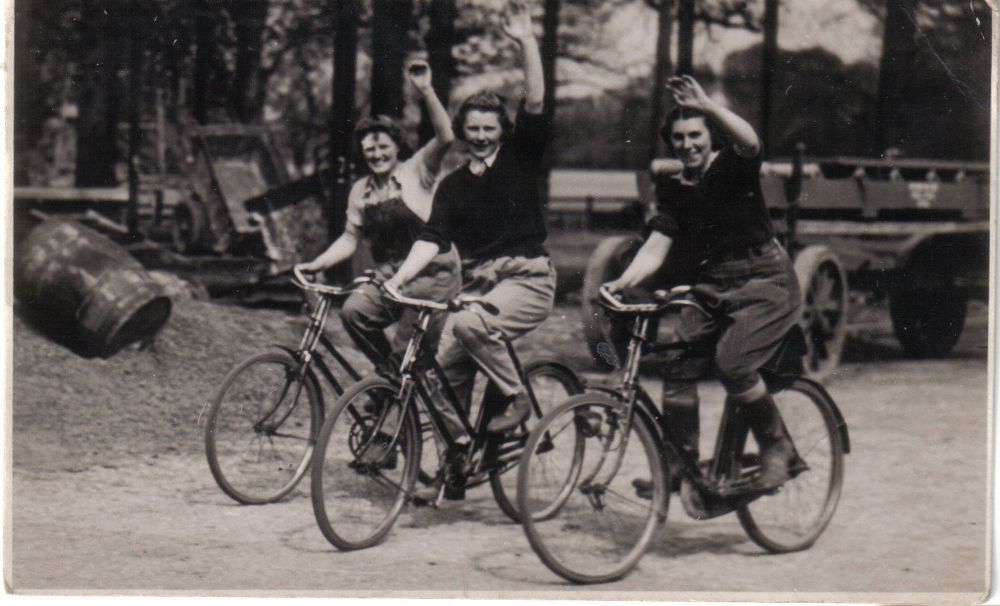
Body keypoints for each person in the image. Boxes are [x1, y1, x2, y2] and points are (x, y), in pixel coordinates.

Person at [384, 1, 555, 500]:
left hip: (527, 280)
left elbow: (537, 101)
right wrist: (397, 281)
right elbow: (432, 238)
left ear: (502, 129)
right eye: (473, 129)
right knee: (441, 367)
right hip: (481, 287)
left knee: (467, 325)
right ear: (463, 132)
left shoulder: (521, 160)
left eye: (489, 128)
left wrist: (525, 42)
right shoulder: (454, 185)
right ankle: (456, 461)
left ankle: (518, 398)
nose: (481, 137)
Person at [604, 75, 802, 492]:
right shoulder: (675, 188)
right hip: (712, 287)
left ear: (710, 137)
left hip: (763, 282)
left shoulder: (733, 166)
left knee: (734, 363)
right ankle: (680, 463)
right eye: (678, 138)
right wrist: (621, 281)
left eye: (695, 135)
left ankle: (777, 447)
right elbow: (657, 246)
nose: (687, 144)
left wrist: (708, 105)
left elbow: (750, 142)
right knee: (678, 364)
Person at [295, 59, 461, 375]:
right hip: (391, 273)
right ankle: (390, 381)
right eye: (370, 150)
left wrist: (426, 90)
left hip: (433, 274)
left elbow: (446, 137)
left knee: (406, 352)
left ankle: (397, 388)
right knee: (354, 312)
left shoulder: (418, 171)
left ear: (396, 146)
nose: (377, 154)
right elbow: (349, 238)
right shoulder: (361, 189)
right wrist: (319, 263)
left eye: (383, 147)